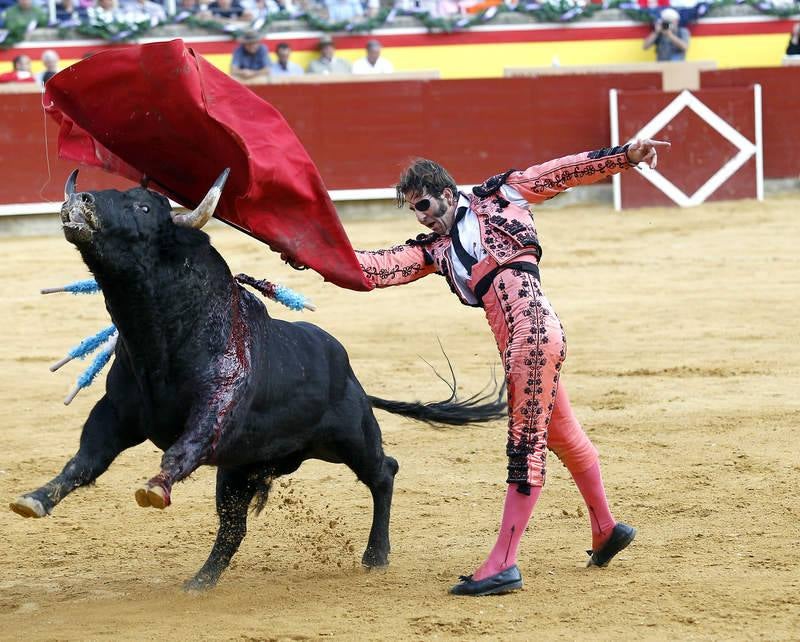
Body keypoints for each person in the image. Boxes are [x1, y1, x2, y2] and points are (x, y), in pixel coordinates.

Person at [338, 139, 670, 596]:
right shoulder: (436, 249)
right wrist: (312, 254)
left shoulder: (503, 196)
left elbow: (561, 172)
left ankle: (503, 564)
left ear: (447, 190)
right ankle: (606, 529)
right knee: (563, 436)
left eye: (425, 204)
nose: (422, 216)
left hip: (532, 337)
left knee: (525, 447)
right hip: (519, 344)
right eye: (415, 211)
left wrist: (626, 155)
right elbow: (374, 269)